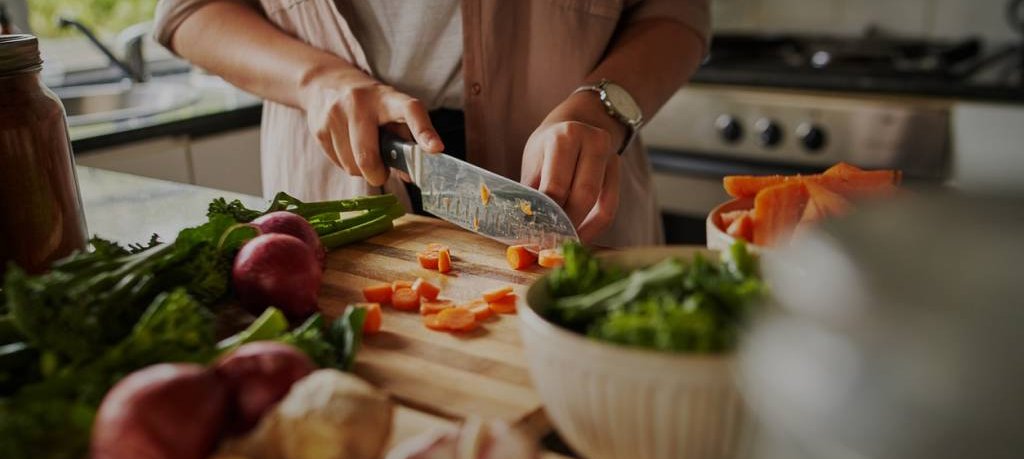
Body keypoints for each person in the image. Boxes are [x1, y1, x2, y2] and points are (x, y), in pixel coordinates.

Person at [154, 0, 709, 246]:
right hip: (344, 177)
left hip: (575, 187)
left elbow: (677, 12)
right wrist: (316, 80)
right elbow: (189, 11)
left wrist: (602, 106)